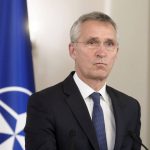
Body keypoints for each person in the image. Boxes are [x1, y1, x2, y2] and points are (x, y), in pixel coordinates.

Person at [24, 11, 141, 150]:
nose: (102, 53)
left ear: (116, 53)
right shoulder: (44, 103)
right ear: (73, 51)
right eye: (92, 42)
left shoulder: (130, 107)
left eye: (109, 44)